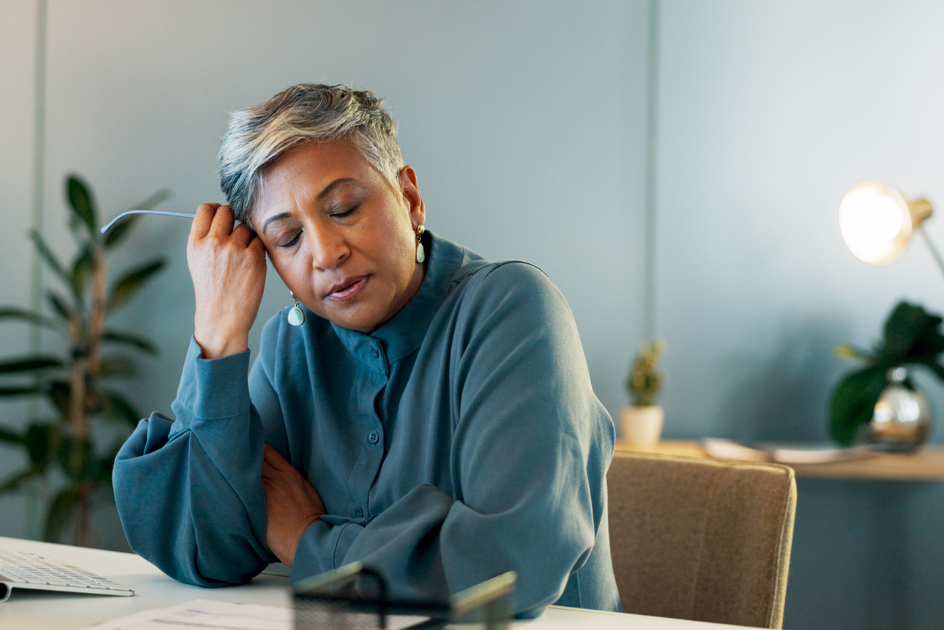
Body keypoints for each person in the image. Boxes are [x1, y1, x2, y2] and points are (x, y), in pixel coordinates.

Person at [112, 84, 620, 616]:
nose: (326, 254)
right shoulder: (295, 342)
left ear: (410, 198)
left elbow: (511, 564)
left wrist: (307, 540)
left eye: (344, 208)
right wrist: (217, 335)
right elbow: (207, 549)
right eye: (287, 239)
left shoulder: (512, 309)